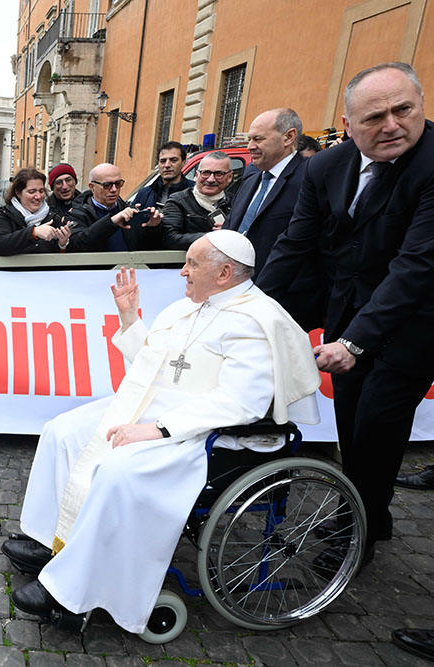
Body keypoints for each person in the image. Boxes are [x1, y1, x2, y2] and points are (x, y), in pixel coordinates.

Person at [2, 230, 320, 634]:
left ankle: (74, 590)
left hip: (210, 432)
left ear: (224, 273)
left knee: (117, 469)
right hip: (158, 409)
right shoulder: (189, 308)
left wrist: (158, 429)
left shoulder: (257, 319)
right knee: (62, 431)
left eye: (192, 264)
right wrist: (130, 317)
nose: (183, 272)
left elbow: (242, 404)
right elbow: (151, 365)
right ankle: (53, 540)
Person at [257, 62, 434, 568]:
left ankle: (355, 533)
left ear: (420, 105)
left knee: (379, 426)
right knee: (353, 427)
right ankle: (372, 513)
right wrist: (245, 305)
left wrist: (354, 343)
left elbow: (416, 265)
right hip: (346, 310)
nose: (392, 125)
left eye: (404, 109)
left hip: (414, 320)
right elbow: (295, 243)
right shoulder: (325, 167)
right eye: (375, 116)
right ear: (347, 122)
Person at [224, 109, 318, 328]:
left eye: (258, 139)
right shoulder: (251, 177)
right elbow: (232, 229)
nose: (249, 147)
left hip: (282, 305)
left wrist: (259, 297)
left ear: (289, 137)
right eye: (249, 139)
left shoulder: (309, 179)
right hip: (235, 296)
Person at [69, 163, 163, 251]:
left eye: (118, 184)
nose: (114, 189)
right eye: (107, 185)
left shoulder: (130, 211)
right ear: (92, 186)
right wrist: (111, 222)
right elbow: (76, 245)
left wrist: (153, 227)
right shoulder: (77, 214)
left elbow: (147, 247)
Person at [0, 168, 70, 255]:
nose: (38, 196)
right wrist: (33, 233)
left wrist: (62, 243)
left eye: (41, 191)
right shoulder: (5, 215)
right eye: (32, 192)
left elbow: (62, 254)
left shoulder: (53, 217)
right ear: (18, 193)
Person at [162, 151, 232, 250]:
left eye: (219, 174)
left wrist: (232, 233)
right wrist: (213, 237)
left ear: (229, 177)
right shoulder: (178, 201)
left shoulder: (237, 203)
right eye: (205, 173)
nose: (211, 179)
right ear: (197, 175)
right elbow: (170, 239)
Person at [133, 141, 194, 210]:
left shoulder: (195, 193)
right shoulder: (144, 194)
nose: (167, 165)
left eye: (173, 160)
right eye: (163, 161)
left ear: (184, 162)